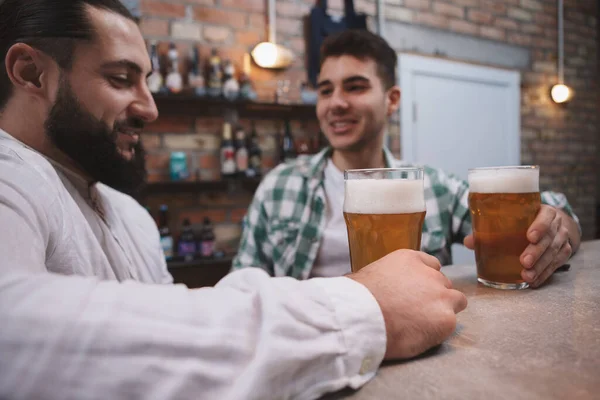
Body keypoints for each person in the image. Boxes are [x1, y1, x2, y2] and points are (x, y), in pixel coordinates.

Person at [0, 1, 468, 399]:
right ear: (30, 73)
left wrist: (544, 221)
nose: (150, 108)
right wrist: (362, 307)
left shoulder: (131, 217)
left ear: (392, 100)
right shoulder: (11, 176)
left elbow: (180, 354)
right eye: (122, 78)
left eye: (356, 87)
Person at [233, 30, 581, 289]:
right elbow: (242, 286)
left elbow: (550, 209)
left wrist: (559, 229)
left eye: (355, 87)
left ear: (392, 99)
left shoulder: (431, 185)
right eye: (325, 90)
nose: (336, 103)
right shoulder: (279, 185)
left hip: (416, 349)